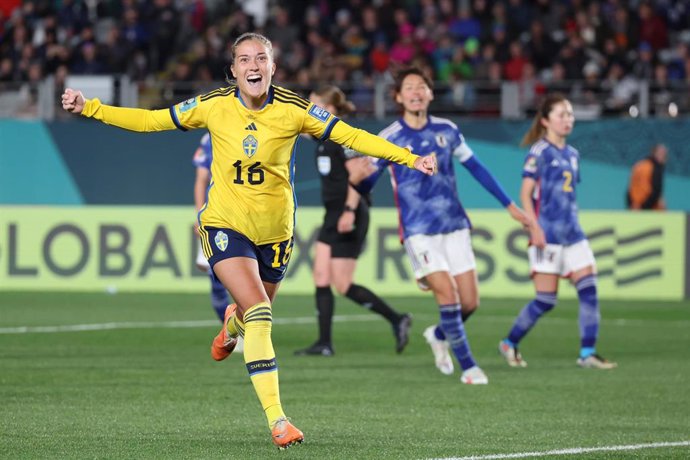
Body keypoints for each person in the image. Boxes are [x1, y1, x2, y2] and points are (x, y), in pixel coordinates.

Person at [60, 32, 436, 449]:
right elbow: (151, 121)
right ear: (234, 69)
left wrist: (409, 157)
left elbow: (351, 136)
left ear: (273, 68)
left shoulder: (295, 110)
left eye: (261, 58)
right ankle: (278, 421)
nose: (253, 65)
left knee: (251, 313)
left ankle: (230, 327)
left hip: (276, 235)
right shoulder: (213, 105)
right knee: (260, 312)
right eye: (244, 59)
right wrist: (90, 107)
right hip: (225, 225)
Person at [355, 67, 532, 385]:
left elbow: (477, 169)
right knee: (447, 294)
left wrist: (511, 207)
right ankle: (469, 367)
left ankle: (438, 334)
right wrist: (353, 190)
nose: (416, 92)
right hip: (418, 231)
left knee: (470, 302)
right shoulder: (390, 136)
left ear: (431, 93)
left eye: (421, 86)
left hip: (454, 225)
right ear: (398, 97)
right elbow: (369, 180)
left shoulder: (448, 131)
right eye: (409, 87)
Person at [498, 93, 617, 370]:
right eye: (562, 115)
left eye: (570, 115)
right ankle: (509, 342)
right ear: (545, 120)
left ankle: (587, 353)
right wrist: (534, 228)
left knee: (589, 290)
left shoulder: (573, 155)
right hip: (547, 236)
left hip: (573, 235)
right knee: (545, 300)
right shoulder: (539, 152)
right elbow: (526, 194)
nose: (568, 120)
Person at [294, 85, 412, 357]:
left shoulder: (341, 137)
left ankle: (397, 319)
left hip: (351, 211)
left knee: (343, 284)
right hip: (332, 213)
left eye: (315, 105)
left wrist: (348, 210)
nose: (309, 110)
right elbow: (294, 126)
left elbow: (357, 175)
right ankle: (324, 343)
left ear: (331, 109)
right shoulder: (322, 135)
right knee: (320, 276)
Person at [626, 143, 667, 210]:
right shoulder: (656, 168)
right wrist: (643, 208)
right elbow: (656, 191)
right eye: (663, 154)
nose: (664, 158)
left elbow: (629, 190)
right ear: (654, 153)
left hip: (634, 208)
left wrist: (633, 206)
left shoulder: (638, 165)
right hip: (651, 211)